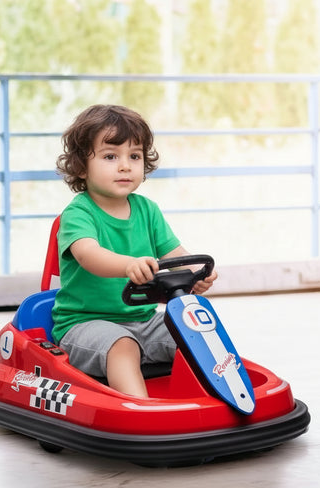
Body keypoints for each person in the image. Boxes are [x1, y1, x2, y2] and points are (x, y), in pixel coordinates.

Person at [51, 104, 217, 398]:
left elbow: (175, 255)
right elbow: (89, 255)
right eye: (110, 156)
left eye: (134, 156)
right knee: (122, 345)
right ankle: (140, 409)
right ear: (81, 166)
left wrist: (196, 274)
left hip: (145, 319)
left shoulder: (147, 210)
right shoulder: (78, 213)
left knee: (198, 332)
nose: (125, 165)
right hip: (85, 324)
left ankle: (213, 403)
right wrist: (129, 265)